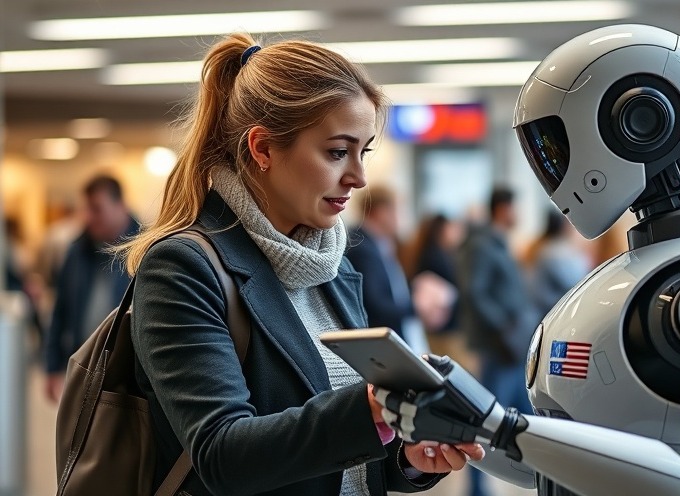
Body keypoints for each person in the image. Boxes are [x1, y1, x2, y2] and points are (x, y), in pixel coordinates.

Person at [118, 34, 482, 496]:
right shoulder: (182, 268)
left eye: (363, 151)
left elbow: (342, 460)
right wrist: (369, 408)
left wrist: (406, 455)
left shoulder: (333, 266)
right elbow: (221, 454)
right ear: (263, 149)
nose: (359, 177)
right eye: (336, 152)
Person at [457, 187, 537, 496]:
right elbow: (474, 292)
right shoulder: (481, 245)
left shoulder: (499, 242)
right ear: (502, 209)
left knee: (524, 419)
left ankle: (541, 479)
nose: (518, 215)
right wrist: (502, 326)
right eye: (515, 207)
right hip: (498, 347)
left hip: (513, 347)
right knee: (487, 422)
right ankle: (477, 489)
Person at [44, 175, 138, 401]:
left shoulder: (145, 250)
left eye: (96, 209)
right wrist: (52, 366)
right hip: (84, 365)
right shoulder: (77, 252)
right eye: (86, 209)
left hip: (128, 373)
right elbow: (61, 310)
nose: (89, 217)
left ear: (120, 206)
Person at [348, 186, 427, 353]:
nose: (402, 218)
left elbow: (391, 288)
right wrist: (417, 307)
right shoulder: (362, 248)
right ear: (381, 212)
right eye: (399, 211)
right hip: (379, 347)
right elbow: (375, 305)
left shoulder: (379, 243)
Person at [403, 214, 469, 364]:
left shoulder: (424, 253)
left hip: (436, 326)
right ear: (442, 230)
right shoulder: (437, 257)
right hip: (445, 328)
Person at [522, 209, 593, 318]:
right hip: (550, 311)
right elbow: (574, 283)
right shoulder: (553, 252)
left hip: (543, 308)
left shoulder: (542, 247)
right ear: (563, 227)